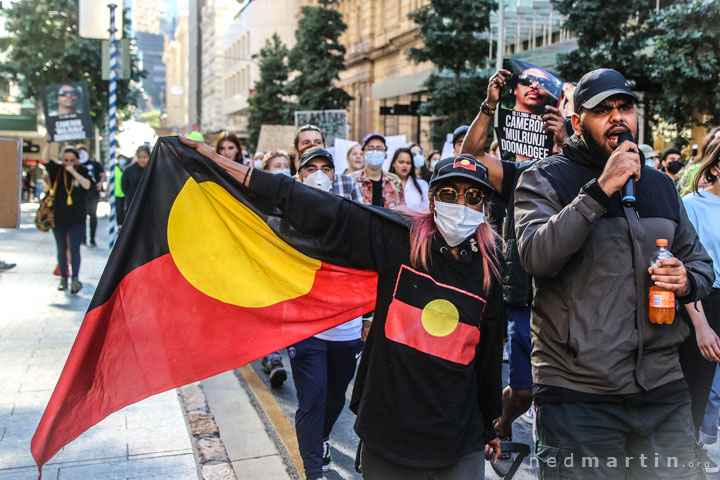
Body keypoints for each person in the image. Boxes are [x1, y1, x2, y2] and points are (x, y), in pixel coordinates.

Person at [182, 134, 505, 480]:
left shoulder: (490, 269)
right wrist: (218, 163)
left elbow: (487, 361)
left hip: (459, 441)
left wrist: (489, 426)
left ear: (484, 205)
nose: (460, 204)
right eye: (448, 193)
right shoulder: (397, 239)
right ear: (432, 200)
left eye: (472, 196)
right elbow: (317, 207)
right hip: (390, 434)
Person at [513, 67, 714, 478]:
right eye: (603, 110)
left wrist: (686, 279)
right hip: (579, 394)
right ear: (577, 123)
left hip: (661, 388)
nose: (618, 117)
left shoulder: (659, 185)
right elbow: (537, 256)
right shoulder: (544, 178)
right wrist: (600, 190)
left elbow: (701, 265)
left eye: (625, 107)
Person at [461, 68, 569, 453]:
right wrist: (490, 103)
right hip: (519, 293)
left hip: (564, 297)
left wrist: (567, 140)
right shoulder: (519, 174)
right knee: (522, 392)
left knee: (550, 393)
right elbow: (470, 155)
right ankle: (502, 422)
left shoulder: (578, 170)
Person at [281, 146, 366, 478]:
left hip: (346, 330)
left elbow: (367, 264)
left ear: (335, 174)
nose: (318, 174)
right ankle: (313, 471)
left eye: (325, 168)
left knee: (333, 399)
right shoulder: (285, 217)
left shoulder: (352, 214)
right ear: (299, 175)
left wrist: (369, 319)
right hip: (306, 328)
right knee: (312, 399)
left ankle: (323, 436)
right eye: (310, 168)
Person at [678, 134, 720, 473]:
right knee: (698, 386)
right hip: (706, 302)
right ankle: (687, 453)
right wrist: (702, 326)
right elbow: (687, 269)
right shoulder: (691, 204)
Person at [258, 151, 293, 388]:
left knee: (287, 314)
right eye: (276, 166)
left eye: (285, 165)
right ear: (266, 171)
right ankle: (273, 359)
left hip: (291, 265)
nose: (282, 169)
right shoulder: (257, 198)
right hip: (267, 264)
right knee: (270, 314)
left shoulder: (297, 196)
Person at [44, 147, 92, 293]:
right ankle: (63, 278)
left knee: (75, 249)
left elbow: (87, 185)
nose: (68, 163)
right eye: (66, 160)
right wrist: (48, 142)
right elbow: (46, 160)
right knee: (62, 248)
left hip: (77, 219)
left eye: (72, 160)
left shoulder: (82, 170)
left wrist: (72, 171)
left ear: (77, 160)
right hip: (59, 219)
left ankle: (75, 279)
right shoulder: (58, 170)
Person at [350, 133, 404, 208]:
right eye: (370, 148)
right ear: (363, 153)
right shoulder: (351, 180)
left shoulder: (395, 181)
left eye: (379, 148)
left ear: (385, 153)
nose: (375, 152)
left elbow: (402, 210)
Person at [76, 145, 104, 247]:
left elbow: (102, 174)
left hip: (93, 194)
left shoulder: (94, 163)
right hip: (81, 195)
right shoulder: (77, 165)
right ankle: (83, 238)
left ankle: (92, 238)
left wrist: (100, 183)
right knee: (82, 216)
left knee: (92, 216)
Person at [389, 148, 428, 212]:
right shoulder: (386, 184)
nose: (405, 165)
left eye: (408, 163)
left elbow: (427, 209)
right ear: (393, 164)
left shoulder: (422, 184)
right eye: (401, 162)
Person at [122, 146, 150, 218]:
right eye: (139, 157)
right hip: (132, 206)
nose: (142, 160)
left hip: (149, 207)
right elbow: (124, 187)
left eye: (144, 157)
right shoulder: (129, 170)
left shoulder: (153, 170)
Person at [115, 155, 128, 226]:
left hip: (125, 193)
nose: (122, 160)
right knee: (119, 210)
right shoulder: (115, 169)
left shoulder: (127, 169)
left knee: (125, 210)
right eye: (120, 159)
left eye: (123, 159)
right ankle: (119, 225)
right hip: (117, 193)